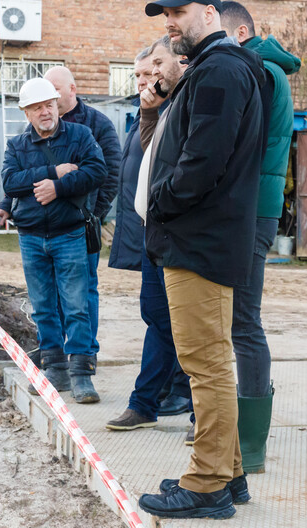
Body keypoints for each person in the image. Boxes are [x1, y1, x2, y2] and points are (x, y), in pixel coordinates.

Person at [135, 0, 266, 520]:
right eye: (165, 14)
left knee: (205, 363)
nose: (169, 22)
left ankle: (207, 482)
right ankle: (228, 473)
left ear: (210, 13)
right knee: (209, 358)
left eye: (179, 12)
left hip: (199, 238)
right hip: (201, 236)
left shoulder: (219, 71)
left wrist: (160, 201)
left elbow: (202, 162)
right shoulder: (216, 70)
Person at [220, 0, 301, 473]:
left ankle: (251, 446)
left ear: (242, 32)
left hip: (250, 208)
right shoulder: (266, 68)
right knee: (240, 320)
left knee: (244, 322)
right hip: (252, 206)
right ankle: (242, 437)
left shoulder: (262, 71)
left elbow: (240, 139)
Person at [0, 66, 121, 362]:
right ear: (28, 112)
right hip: (38, 230)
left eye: (51, 99)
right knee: (46, 299)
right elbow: (16, 175)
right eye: (37, 106)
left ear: (69, 91)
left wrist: (90, 214)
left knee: (81, 295)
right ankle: (55, 356)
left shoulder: (93, 126)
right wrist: (6, 203)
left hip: (79, 224)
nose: (46, 109)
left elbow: (108, 174)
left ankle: (85, 356)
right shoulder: (26, 136)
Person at [105, 37, 192, 431]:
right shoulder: (164, 105)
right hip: (152, 230)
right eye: (146, 68)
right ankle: (144, 405)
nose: (151, 74)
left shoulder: (191, 100)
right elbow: (149, 155)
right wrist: (148, 113)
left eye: (158, 64)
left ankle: (199, 413)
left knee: (193, 325)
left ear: (180, 63)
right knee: (157, 317)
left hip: (183, 233)